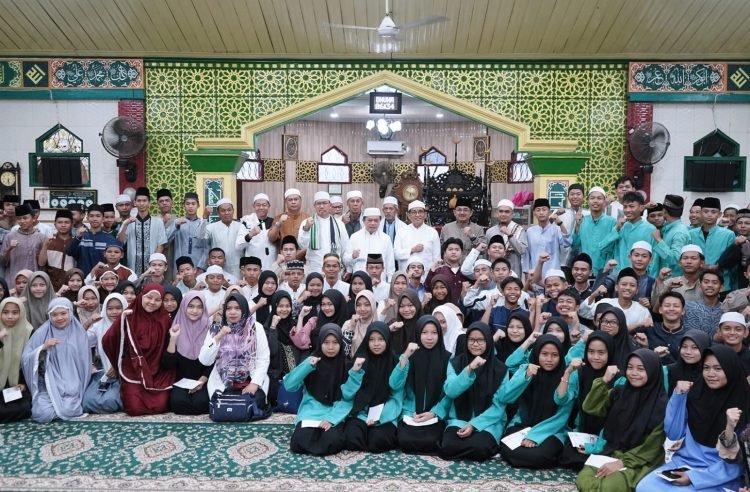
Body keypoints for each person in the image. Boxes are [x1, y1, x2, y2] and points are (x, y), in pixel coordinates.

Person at [636, 345, 748, 491]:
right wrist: (678, 396)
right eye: (706, 368)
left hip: (719, 474)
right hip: (684, 463)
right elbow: (673, 433)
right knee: (644, 487)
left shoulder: (744, 405)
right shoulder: (696, 395)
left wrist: (695, 477)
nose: (710, 373)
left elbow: (737, 465)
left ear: (731, 369)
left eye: (718, 368)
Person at [576, 349, 667, 492]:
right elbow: (591, 407)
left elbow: (652, 447)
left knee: (606, 487)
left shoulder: (662, 406)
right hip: (612, 451)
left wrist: (621, 462)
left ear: (653, 372)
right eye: (630, 367)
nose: (634, 373)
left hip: (640, 460)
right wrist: (604, 381)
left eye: (641, 369)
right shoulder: (619, 392)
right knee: (584, 481)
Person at [440, 322, 512, 461]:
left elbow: (499, 405)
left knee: (480, 447)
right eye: (471, 340)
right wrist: (469, 369)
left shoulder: (501, 369)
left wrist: (474, 425)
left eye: (480, 340)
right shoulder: (455, 363)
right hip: (460, 419)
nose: (475, 344)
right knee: (448, 446)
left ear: (489, 342)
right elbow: (450, 391)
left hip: (488, 422)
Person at [499, 335, 573, 469]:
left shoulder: (566, 377)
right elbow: (505, 397)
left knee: (539, 455)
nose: (549, 360)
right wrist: (525, 376)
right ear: (536, 353)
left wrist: (535, 435)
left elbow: (562, 416)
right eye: (544, 354)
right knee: (508, 449)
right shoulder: (527, 369)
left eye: (555, 355)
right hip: (523, 424)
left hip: (552, 429)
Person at [102, 284, 176, 416]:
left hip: (158, 371)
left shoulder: (165, 320)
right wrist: (116, 363)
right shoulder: (129, 316)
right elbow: (109, 339)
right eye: (149, 297)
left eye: (157, 300)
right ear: (141, 296)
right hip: (133, 370)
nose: (152, 302)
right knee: (134, 408)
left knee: (161, 404)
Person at [285, 323, 350, 456]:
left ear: (341, 344)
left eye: (335, 343)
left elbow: (348, 399)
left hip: (335, 411)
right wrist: (307, 366)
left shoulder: (346, 366)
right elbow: (289, 385)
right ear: (320, 343)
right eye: (326, 342)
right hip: (311, 411)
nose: (330, 347)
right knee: (299, 441)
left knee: (331, 441)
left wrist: (331, 419)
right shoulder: (312, 361)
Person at [21, 298, 90, 423]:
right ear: (49, 316)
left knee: (70, 409)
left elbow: (84, 362)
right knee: (42, 414)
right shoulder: (42, 332)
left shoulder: (79, 332)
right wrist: (43, 347)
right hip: (48, 384)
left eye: (63, 313)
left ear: (70, 313)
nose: (59, 318)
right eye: (54, 315)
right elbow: (26, 358)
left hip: (72, 384)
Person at [199, 293, 270, 411]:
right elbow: (204, 361)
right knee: (225, 406)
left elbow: (263, 358)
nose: (232, 312)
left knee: (255, 402)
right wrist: (218, 337)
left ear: (244, 310)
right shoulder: (216, 328)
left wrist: (254, 383)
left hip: (250, 381)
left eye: (237, 308)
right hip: (223, 383)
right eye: (229, 308)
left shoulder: (256, 327)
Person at [556, 332, 616, 471]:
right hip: (584, 431)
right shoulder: (581, 372)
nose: (595, 357)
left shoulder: (617, 376)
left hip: (607, 436)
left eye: (601, 353)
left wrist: (597, 446)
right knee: (568, 457)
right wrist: (567, 372)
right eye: (591, 352)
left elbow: (616, 419)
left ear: (610, 352)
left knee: (601, 458)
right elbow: (560, 399)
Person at [391, 315, 451, 454]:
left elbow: (449, 394)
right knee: (405, 441)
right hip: (411, 413)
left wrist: (434, 413)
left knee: (432, 441)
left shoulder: (447, 358)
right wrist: (405, 355)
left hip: (434, 414)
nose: (429, 337)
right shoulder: (409, 356)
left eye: (434, 333)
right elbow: (394, 384)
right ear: (417, 333)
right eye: (424, 333)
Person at [342, 321, 400, 453]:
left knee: (379, 441)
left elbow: (397, 395)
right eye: (372, 339)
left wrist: (380, 416)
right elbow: (347, 394)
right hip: (361, 411)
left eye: (381, 339)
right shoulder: (360, 360)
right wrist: (355, 372)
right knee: (352, 439)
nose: (376, 344)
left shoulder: (394, 362)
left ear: (388, 340)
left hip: (385, 412)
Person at [164, 292, 212, 415]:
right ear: (184, 307)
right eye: (191, 306)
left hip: (203, 380)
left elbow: (215, 361)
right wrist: (173, 339)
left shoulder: (210, 330)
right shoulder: (174, 328)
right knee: (177, 403)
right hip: (181, 381)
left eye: (199, 307)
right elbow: (168, 364)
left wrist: (201, 381)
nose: (195, 311)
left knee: (202, 403)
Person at [82, 293, 127, 414]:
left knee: (110, 402)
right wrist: (88, 322)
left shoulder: (129, 325)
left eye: (118, 308)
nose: (114, 312)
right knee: (86, 402)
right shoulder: (98, 326)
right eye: (110, 308)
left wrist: (117, 368)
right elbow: (80, 340)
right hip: (104, 373)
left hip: (125, 374)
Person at [117, 188, 168, 276]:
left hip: (152, 269)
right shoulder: (129, 222)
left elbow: (161, 244)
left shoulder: (158, 221)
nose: (141, 203)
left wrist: (154, 263)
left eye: (144, 201)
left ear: (149, 203)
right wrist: (125, 224)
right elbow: (120, 242)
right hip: (132, 267)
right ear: (135, 203)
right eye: (139, 201)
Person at [690, 197, 736, 292]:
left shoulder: (728, 235)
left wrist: (718, 267)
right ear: (701, 213)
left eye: (713, 212)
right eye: (706, 211)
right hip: (696, 283)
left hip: (721, 284)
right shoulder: (691, 234)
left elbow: (732, 259)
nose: (709, 215)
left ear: (719, 214)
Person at [298, 192, 349, 275]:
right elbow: (302, 245)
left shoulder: (339, 224)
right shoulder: (307, 222)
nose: (321, 206)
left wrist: (348, 268)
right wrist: (306, 229)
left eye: (324, 203)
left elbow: (345, 248)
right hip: (314, 268)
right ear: (314, 206)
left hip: (334, 268)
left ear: (330, 205)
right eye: (318, 203)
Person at [0, 297, 33, 422]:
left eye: (14, 312)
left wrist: (23, 383)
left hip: (15, 384)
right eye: (5, 312)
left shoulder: (28, 331)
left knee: (24, 408)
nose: (10, 316)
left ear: (21, 313)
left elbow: (30, 361)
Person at [523, 198, 572, 279]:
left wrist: (560, 224)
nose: (541, 212)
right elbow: (526, 254)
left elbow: (567, 243)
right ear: (534, 213)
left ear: (549, 212)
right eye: (538, 210)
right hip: (535, 272)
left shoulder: (556, 229)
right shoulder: (530, 231)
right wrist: (526, 272)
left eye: (544, 210)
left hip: (553, 272)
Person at [344, 208, 395, 279]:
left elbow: (390, 263)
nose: (373, 223)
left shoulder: (386, 238)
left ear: (380, 221)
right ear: (364, 221)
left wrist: (390, 280)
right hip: (360, 279)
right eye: (370, 220)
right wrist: (353, 256)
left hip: (379, 280)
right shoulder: (355, 237)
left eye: (376, 220)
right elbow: (346, 260)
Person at [199, 198, 244, 280]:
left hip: (237, 267)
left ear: (233, 210)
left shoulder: (241, 226)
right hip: (218, 266)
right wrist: (205, 217)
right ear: (218, 213)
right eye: (223, 211)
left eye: (229, 210)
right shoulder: (212, 227)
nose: (227, 213)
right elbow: (200, 235)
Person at [1, 204, 45, 286]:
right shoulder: (10, 236)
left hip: (34, 280)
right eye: (19, 218)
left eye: (25, 218)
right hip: (14, 280)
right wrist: (9, 249)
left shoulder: (41, 237)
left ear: (33, 218)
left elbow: (42, 264)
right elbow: (3, 262)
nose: (22, 221)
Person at [394, 200, 441, 272]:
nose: (417, 215)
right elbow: (396, 254)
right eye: (414, 212)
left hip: (427, 276)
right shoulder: (401, 232)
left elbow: (437, 258)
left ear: (425, 215)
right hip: (406, 276)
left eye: (420, 211)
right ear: (409, 215)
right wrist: (412, 250)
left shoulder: (432, 232)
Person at [485, 199, 528, 277]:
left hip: (513, 271)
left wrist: (510, 235)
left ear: (512, 214)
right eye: (501, 211)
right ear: (497, 213)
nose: (503, 214)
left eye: (507, 212)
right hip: (494, 272)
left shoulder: (519, 230)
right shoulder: (490, 231)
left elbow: (522, 250)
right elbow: (487, 254)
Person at [237, 193, 277, 270]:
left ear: (269, 206)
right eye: (258, 205)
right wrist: (250, 235)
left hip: (271, 264)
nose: (261, 207)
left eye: (264, 205)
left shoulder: (274, 222)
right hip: (253, 267)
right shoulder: (247, 222)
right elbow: (238, 246)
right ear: (254, 206)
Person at [38, 209, 75, 290]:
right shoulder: (50, 242)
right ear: (55, 224)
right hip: (51, 285)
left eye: (66, 222)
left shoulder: (75, 242)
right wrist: (45, 246)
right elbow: (41, 263)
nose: (63, 225)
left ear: (72, 224)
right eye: (60, 222)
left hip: (72, 284)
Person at [665, 330, 711, 395]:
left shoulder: (712, 374)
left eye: (695, 347)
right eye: (684, 346)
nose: (688, 352)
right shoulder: (668, 372)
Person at [173, 192, 209, 274]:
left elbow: (207, 247)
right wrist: (175, 225)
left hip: (198, 264)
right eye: (187, 204)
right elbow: (166, 239)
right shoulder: (178, 222)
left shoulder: (204, 223)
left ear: (198, 205)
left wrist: (202, 266)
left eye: (193, 204)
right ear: (184, 205)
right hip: (180, 264)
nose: (190, 206)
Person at [268, 188, 310, 257]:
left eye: (296, 199)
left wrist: (302, 252)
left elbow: (312, 242)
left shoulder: (308, 218)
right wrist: (278, 224)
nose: (293, 202)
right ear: (286, 202)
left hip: (304, 258)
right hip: (285, 259)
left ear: (300, 201)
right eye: (290, 200)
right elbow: (272, 239)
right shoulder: (278, 218)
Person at [341, 290, 377, 363]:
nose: (362, 309)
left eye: (367, 305)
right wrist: (351, 328)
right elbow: (343, 352)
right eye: (358, 305)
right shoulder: (348, 324)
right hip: (352, 367)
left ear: (373, 305)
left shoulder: (378, 326)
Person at [387, 290, 423, 355]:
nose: (406, 310)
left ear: (417, 305)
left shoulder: (425, 324)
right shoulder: (393, 324)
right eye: (402, 306)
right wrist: (389, 329)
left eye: (410, 305)